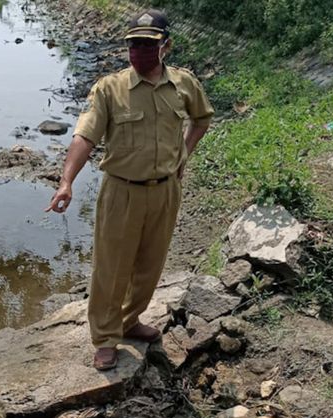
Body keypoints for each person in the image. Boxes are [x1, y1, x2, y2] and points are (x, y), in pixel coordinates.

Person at [45, 9, 214, 370]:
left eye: (147, 44)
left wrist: (183, 154)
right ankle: (105, 339)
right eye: (133, 44)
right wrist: (66, 182)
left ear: (166, 46)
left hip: (166, 191)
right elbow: (84, 136)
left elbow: (202, 119)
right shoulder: (110, 89)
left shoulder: (184, 85)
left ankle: (130, 320)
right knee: (111, 268)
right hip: (121, 192)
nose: (139, 51)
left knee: (150, 264)